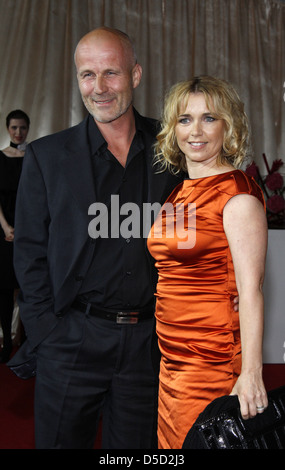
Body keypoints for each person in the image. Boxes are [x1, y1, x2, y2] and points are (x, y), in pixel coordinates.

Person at [9, 27, 183, 449]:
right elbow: (29, 252)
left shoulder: (174, 150)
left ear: (136, 75)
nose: (99, 87)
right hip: (72, 339)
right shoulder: (47, 157)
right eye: (87, 74)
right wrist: (46, 332)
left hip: (149, 345)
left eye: (111, 73)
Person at [147, 76, 268, 449]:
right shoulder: (179, 191)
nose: (195, 131)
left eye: (209, 118)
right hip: (171, 362)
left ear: (228, 126)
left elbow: (251, 291)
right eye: (184, 119)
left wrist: (251, 372)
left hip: (211, 365)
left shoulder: (237, 196)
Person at [0, 110, 30, 363]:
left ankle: (29, 343)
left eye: (22, 128)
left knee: (30, 288)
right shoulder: (0, 158)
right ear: (8, 129)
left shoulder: (34, 156)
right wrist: (7, 228)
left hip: (30, 232)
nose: (18, 132)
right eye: (14, 128)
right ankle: (7, 342)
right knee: (4, 289)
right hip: (5, 232)